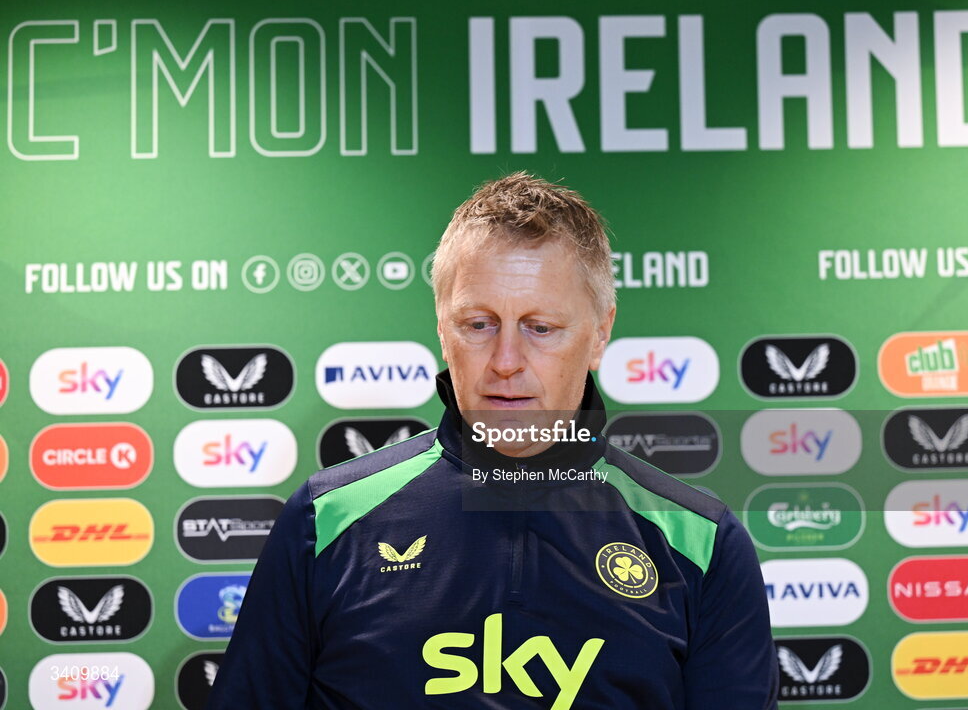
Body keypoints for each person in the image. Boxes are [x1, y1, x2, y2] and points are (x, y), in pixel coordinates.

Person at [207, 172, 779, 709]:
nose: (506, 362)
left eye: (541, 328)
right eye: (478, 324)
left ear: (600, 334)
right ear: (441, 328)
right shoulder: (324, 520)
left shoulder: (702, 544)